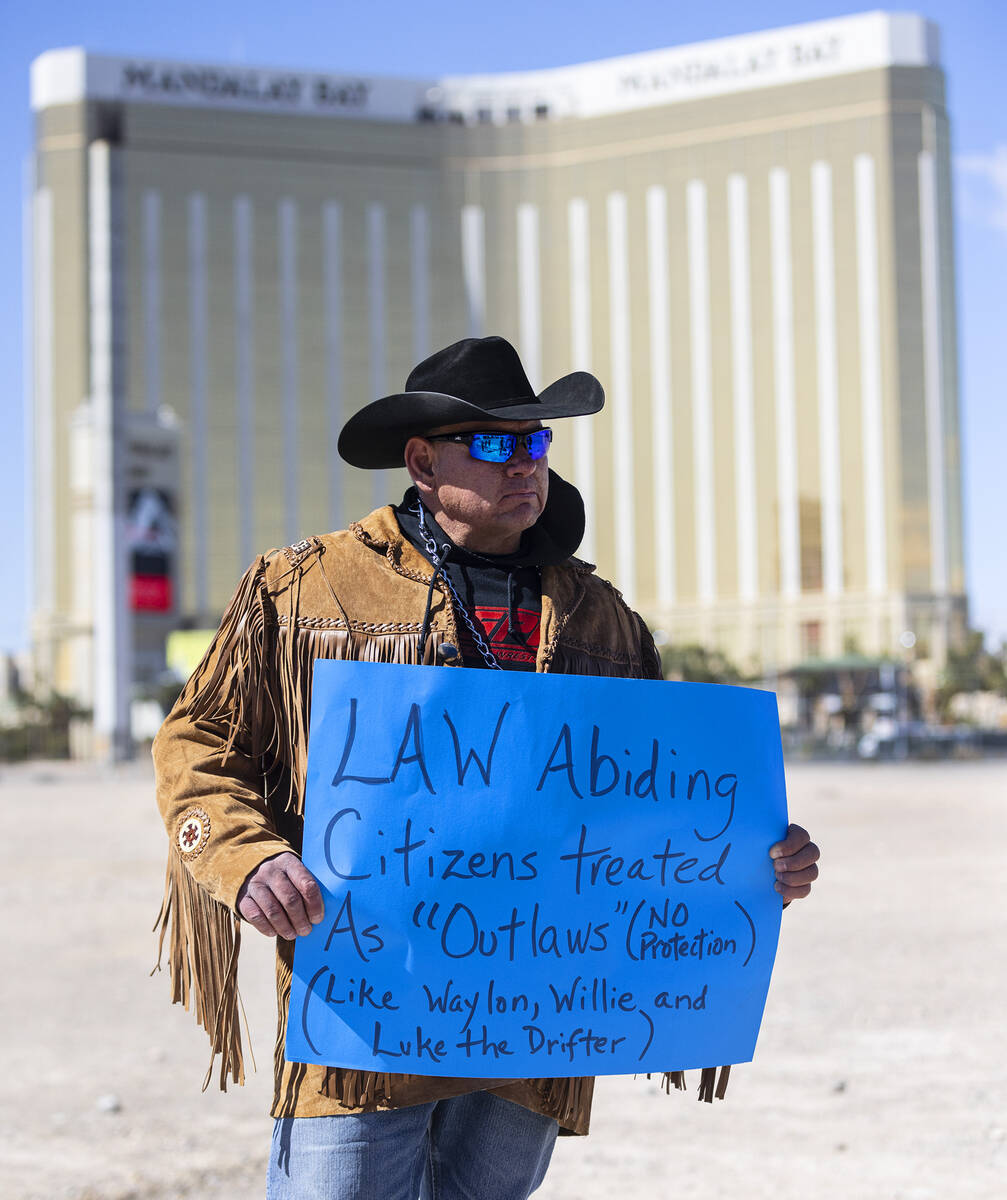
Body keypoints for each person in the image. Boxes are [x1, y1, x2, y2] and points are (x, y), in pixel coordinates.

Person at [153, 335, 820, 1200]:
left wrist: (754, 857)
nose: (525, 465)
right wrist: (243, 857)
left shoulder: (599, 618)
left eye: (536, 443)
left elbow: (658, 803)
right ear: (423, 461)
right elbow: (196, 741)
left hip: (537, 1005)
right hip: (369, 1006)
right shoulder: (306, 589)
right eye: (497, 444)